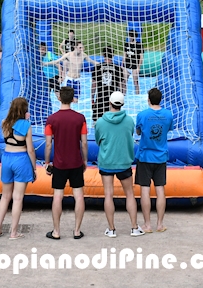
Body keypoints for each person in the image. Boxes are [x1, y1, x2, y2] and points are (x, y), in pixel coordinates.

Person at [95, 91, 144, 237]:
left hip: (107, 161)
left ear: (109, 103)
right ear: (122, 104)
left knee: (108, 195)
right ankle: (134, 227)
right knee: (130, 194)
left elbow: (98, 141)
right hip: (124, 162)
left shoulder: (101, 122)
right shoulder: (129, 121)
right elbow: (130, 135)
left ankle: (111, 229)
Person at [44, 86, 88, 240]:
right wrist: (85, 160)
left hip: (59, 163)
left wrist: (47, 161)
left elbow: (48, 144)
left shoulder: (52, 119)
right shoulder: (80, 118)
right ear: (73, 99)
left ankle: (56, 231)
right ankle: (77, 231)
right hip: (76, 162)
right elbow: (83, 143)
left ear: (59, 98)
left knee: (57, 196)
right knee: (79, 196)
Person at [0, 97, 36, 239]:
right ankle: (13, 232)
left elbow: (12, 125)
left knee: (5, 197)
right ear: (24, 110)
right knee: (17, 198)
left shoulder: (4, 123)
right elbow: (30, 150)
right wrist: (34, 167)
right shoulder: (26, 125)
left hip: (6, 158)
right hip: (21, 159)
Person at [135, 88, 173, 233]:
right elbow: (168, 129)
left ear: (148, 99)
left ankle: (147, 224)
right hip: (161, 155)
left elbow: (138, 131)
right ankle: (160, 224)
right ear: (161, 99)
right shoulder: (168, 114)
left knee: (145, 189)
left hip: (145, 156)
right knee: (160, 189)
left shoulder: (142, 115)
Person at [92, 47, 127, 121]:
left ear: (103, 55)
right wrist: (122, 97)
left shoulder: (97, 67)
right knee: (113, 121)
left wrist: (92, 98)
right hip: (113, 101)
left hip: (100, 99)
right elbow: (122, 86)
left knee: (96, 123)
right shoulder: (118, 68)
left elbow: (93, 85)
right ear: (113, 55)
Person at [123, 30, 144, 95]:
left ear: (134, 37)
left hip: (134, 66)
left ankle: (137, 95)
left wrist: (138, 67)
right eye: (129, 36)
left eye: (131, 36)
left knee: (135, 82)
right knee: (124, 81)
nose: (130, 37)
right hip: (127, 65)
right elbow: (124, 55)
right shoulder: (126, 44)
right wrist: (122, 65)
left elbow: (141, 57)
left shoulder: (139, 45)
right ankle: (124, 94)